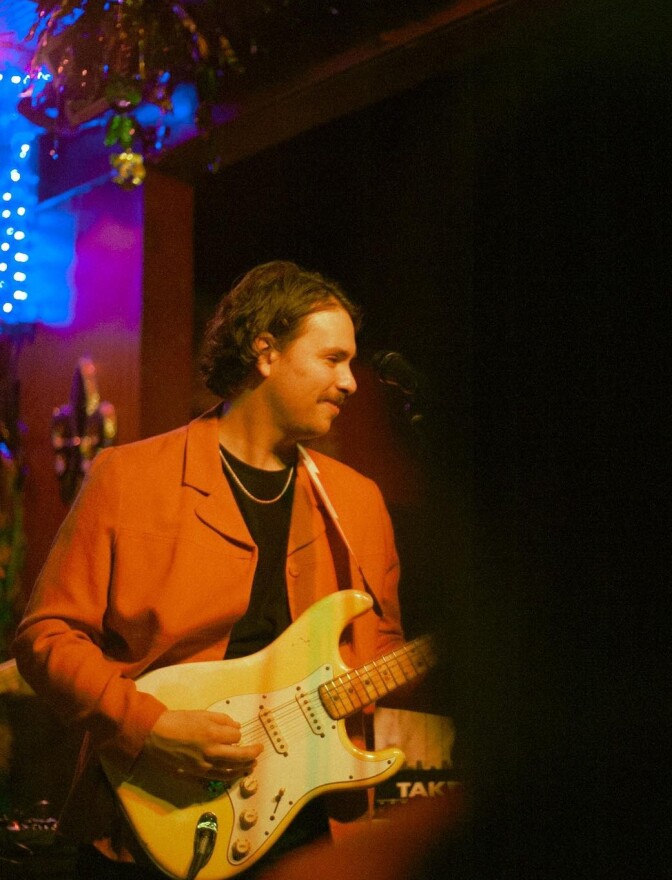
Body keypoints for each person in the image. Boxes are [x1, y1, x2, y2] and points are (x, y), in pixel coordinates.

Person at [11, 261, 411, 878]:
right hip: (154, 819)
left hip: (311, 825)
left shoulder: (358, 501)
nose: (352, 382)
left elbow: (381, 650)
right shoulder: (130, 478)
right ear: (266, 352)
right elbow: (46, 639)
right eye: (333, 359)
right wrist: (151, 726)